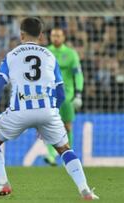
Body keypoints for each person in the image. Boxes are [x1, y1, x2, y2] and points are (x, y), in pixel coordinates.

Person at [0, 17, 98, 200]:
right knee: (65, 149)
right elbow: (61, 92)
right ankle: (85, 190)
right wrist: (51, 114)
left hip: (20, 110)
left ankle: (2, 184)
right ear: (42, 36)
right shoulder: (50, 56)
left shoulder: (12, 55)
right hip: (47, 110)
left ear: (21, 34)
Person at [44, 27, 84, 166]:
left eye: (58, 35)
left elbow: (78, 74)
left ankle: (69, 154)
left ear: (63, 37)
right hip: (50, 95)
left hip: (67, 96)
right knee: (48, 125)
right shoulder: (46, 52)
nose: (55, 38)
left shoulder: (71, 54)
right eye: (53, 35)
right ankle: (51, 155)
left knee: (67, 126)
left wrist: (78, 93)